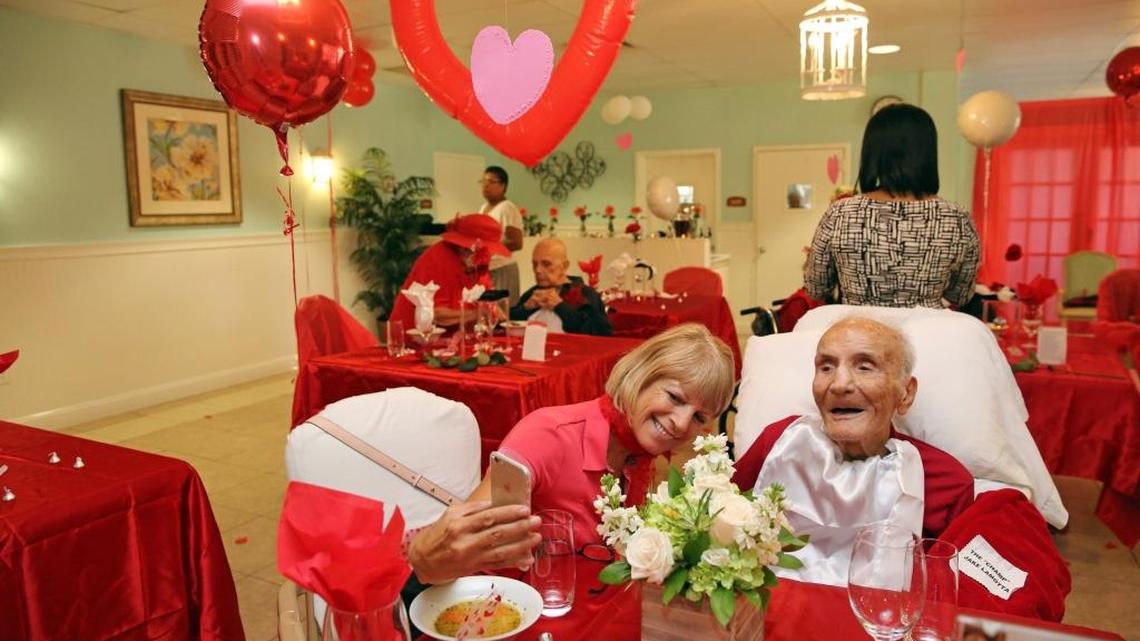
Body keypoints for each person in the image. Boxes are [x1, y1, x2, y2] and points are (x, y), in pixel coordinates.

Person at [407, 323, 736, 583]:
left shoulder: (638, 456)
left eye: (698, 417)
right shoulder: (547, 435)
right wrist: (426, 555)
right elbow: (457, 552)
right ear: (642, 377)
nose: (680, 424)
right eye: (676, 398)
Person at [732, 316, 975, 585]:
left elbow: (946, 595)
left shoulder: (947, 482)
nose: (839, 384)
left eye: (864, 367)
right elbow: (721, 517)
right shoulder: (780, 442)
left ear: (905, 394)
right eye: (826, 367)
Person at [804, 104, 980, 309]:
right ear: (928, 152)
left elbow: (816, 287)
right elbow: (961, 294)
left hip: (857, 336)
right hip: (928, 337)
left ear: (872, 152)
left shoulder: (841, 213)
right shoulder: (956, 218)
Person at [388, 213, 509, 331]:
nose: (490, 254)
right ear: (464, 246)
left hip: (452, 339)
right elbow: (436, 314)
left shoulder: (476, 261)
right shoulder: (438, 259)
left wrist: (504, 322)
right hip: (415, 337)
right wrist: (477, 313)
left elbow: (486, 298)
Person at [509, 238, 613, 336]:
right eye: (535, 264)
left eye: (546, 264)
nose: (538, 270)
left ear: (565, 266)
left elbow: (602, 332)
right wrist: (525, 308)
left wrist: (560, 307)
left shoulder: (584, 294)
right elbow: (509, 326)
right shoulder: (533, 294)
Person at [478, 166, 525, 305]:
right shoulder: (483, 207)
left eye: (491, 182)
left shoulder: (507, 207)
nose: (486, 186)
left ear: (503, 186)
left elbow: (516, 242)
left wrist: (488, 248)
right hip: (487, 268)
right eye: (483, 182)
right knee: (487, 311)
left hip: (502, 268)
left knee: (502, 313)